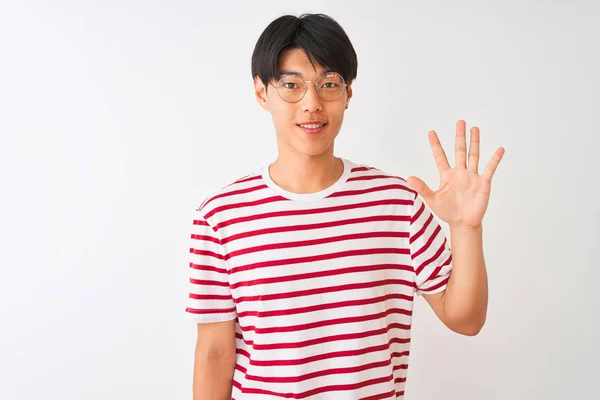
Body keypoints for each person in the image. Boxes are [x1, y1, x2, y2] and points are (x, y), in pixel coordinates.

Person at [185, 13, 505, 400]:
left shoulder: (397, 205)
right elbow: (215, 354)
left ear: (348, 94)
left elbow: (466, 320)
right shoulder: (220, 216)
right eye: (291, 85)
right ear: (260, 92)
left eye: (329, 84)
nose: (312, 104)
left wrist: (466, 229)